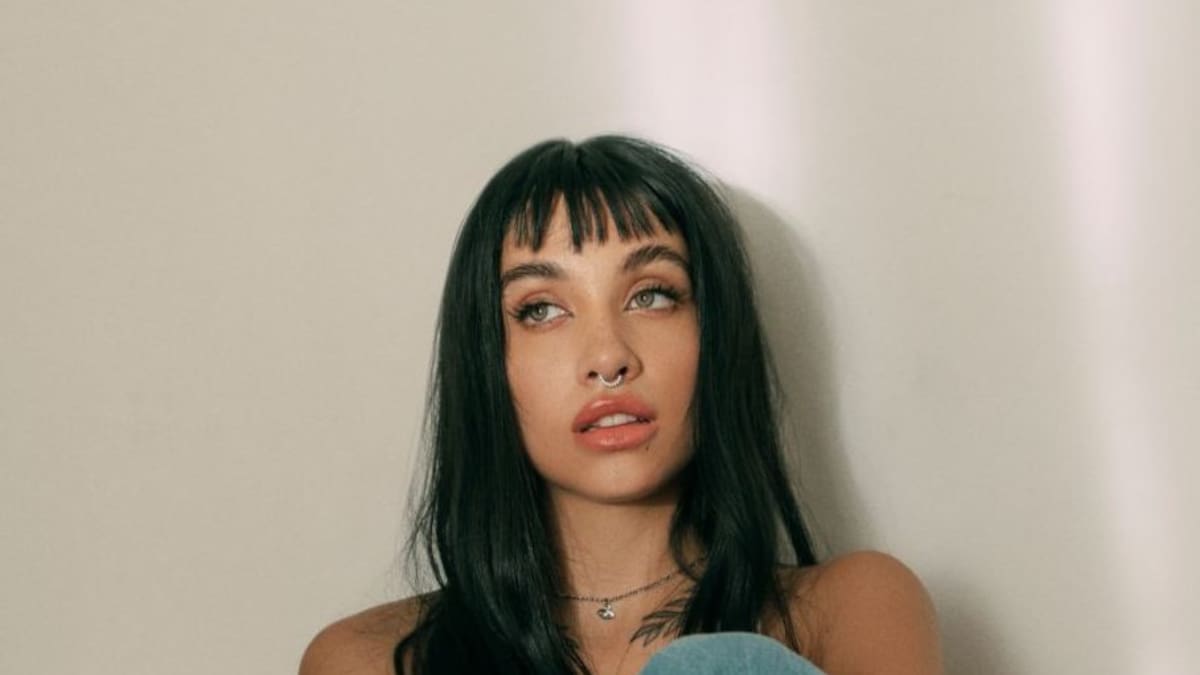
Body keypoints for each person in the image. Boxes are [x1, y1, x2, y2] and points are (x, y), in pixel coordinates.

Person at [300, 135, 943, 674]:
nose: (608, 357)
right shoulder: (364, 660)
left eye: (652, 295)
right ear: (486, 361)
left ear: (715, 334)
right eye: (541, 310)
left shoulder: (852, 609)